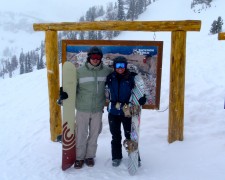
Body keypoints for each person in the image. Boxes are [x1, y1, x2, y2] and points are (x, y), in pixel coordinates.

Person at [59, 46, 113, 169]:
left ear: (101, 58)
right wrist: (63, 93)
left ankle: (90, 156)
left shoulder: (106, 71)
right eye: (93, 57)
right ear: (89, 57)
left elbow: (118, 74)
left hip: (97, 109)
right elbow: (71, 87)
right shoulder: (80, 72)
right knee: (81, 134)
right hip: (82, 109)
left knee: (94, 134)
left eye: (98, 57)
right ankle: (79, 158)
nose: (95, 59)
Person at [105, 56, 146, 167]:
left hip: (127, 109)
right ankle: (116, 157)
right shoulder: (110, 78)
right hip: (113, 110)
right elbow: (101, 89)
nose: (120, 68)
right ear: (114, 67)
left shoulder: (131, 77)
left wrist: (142, 98)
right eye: (118, 66)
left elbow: (140, 89)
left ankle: (134, 157)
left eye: (122, 65)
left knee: (130, 135)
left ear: (125, 66)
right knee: (116, 135)